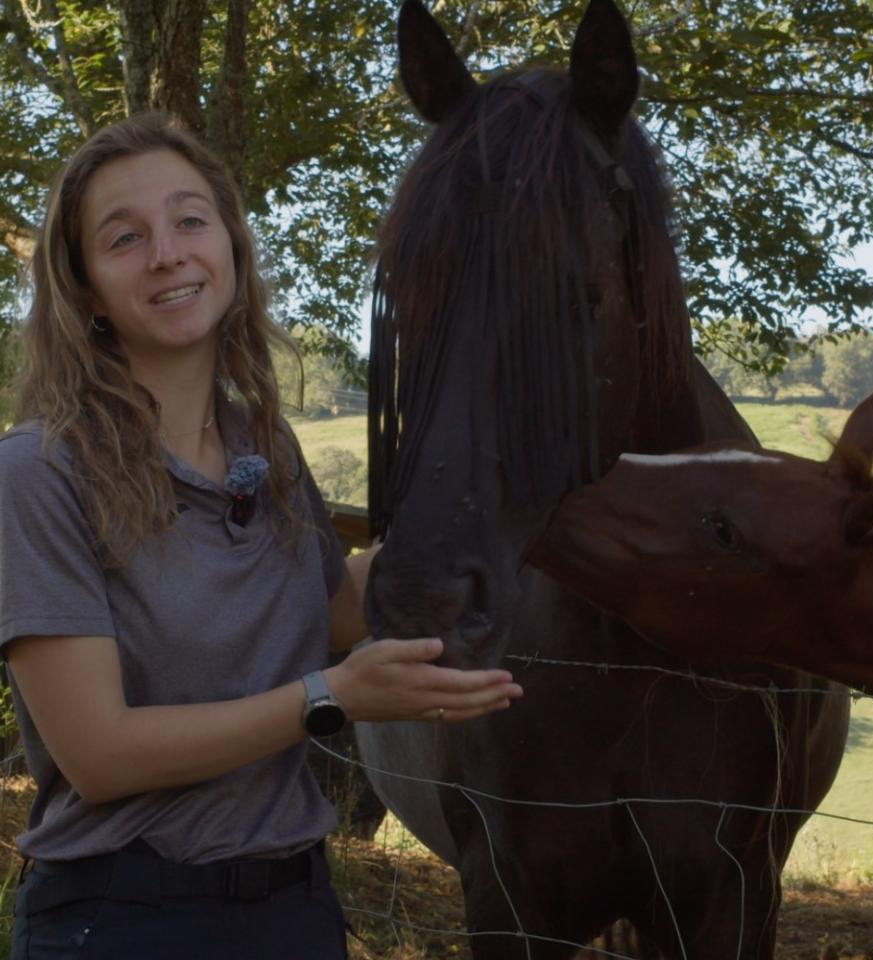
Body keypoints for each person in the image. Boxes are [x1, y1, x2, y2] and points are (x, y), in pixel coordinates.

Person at [0, 112, 523, 959]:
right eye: (125, 237)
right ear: (86, 286)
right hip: (121, 920)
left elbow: (335, 610)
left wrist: (491, 513)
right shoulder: (38, 474)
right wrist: (333, 699)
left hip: (294, 910)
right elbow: (100, 754)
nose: (167, 252)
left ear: (233, 253)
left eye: (190, 220)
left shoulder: (264, 448)